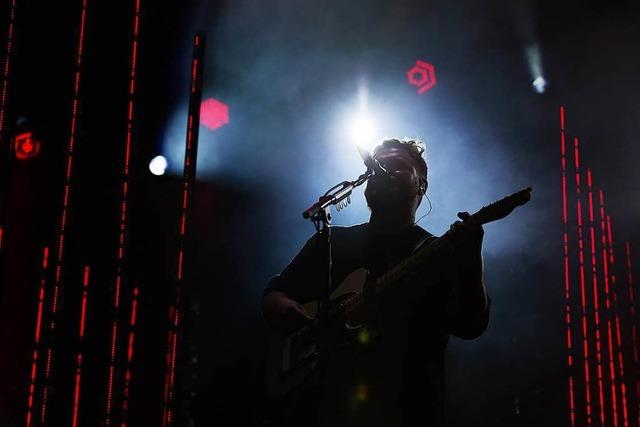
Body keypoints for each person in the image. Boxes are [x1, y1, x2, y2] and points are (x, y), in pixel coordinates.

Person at [262, 138, 489, 426]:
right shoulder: (333, 241)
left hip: (403, 409)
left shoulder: (437, 251)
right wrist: (280, 305)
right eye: (377, 166)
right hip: (323, 406)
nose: (383, 170)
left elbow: (470, 326)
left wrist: (472, 259)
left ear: (421, 186)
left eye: (397, 166)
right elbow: (276, 292)